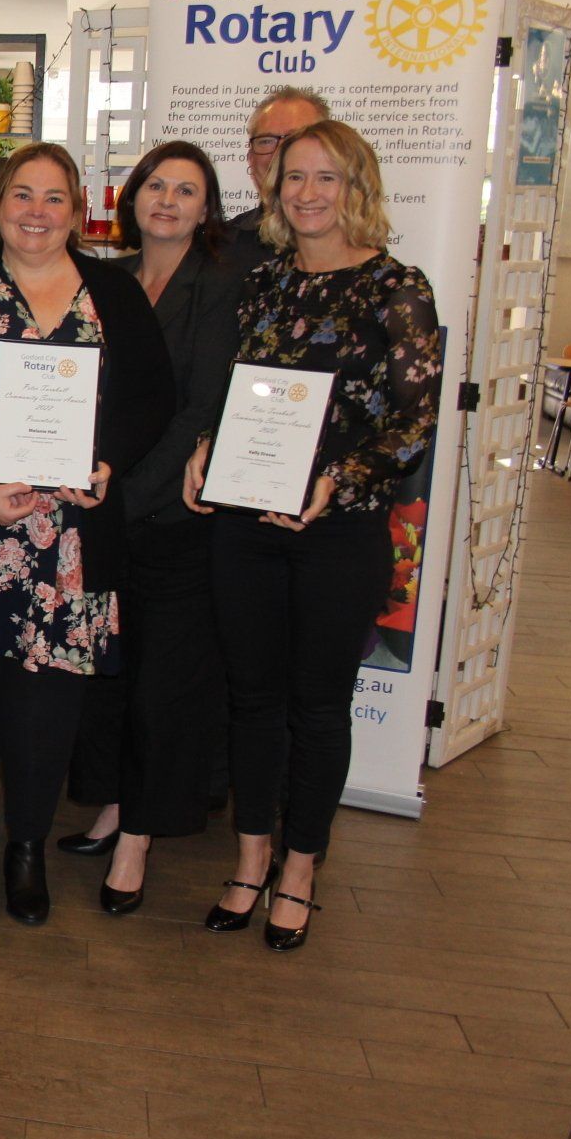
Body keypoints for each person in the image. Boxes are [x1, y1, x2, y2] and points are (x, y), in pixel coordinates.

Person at [0, 141, 174, 926]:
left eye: (55, 198)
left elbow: (152, 396)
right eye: (22, 195)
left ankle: (24, 848)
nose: (37, 213)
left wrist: (110, 462)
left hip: (73, 541)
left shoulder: (114, 294)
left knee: (48, 703)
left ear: (79, 210)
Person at [184, 120, 441, 951]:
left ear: (355, 187)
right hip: (246, 524)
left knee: (319, 706)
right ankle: (251, 859)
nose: (306, 193)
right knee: (252, 699)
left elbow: (413, 425)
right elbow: (239, 397)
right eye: (294, 177)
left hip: (341, 531)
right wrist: (204, 450)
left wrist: (337, 483)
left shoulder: (397, 288)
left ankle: (301, 868)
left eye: (326, 178)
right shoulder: (265, 286)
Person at [54, 141, 240, 914]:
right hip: (103, 502)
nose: (167, 200)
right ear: (131, 197)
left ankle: (140, 837)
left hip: (169, 516)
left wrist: (126, 493)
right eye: (156, 185)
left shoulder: (221, 287)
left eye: (186, 190)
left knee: (164, 683)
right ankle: (115, 802)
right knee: (110, 674)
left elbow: (203, 408)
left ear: (207, 208)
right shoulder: (111, 279)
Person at [226, 87, 329, 271]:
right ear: (251, 158)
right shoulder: (221, 245)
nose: (280, 152)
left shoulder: (352, 245)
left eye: (295, 138)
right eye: (266, 140)